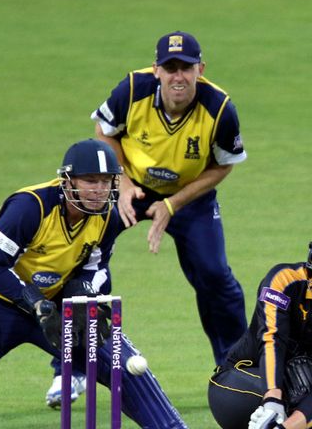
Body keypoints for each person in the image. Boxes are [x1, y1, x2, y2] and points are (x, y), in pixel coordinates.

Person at [0, 139, 187, 429]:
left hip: (54, 307)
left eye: (106, 181)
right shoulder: (30, 206)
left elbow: (96, 268)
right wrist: (34, 300)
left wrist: (82, 296)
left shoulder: (107, 216)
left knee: (122, 364)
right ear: (68, 181)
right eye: (90, 180)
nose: (100, 190)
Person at [91, 29, 247, 362]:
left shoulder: (220, 109)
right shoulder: (133, 89)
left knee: (215, 276)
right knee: (85, 255)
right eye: (170, 67)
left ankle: (238, 368)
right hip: (130, 189)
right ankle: (75, 367)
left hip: (189, 198)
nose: (178, 76)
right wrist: (121, 182)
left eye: (186, 68)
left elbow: (223, 166)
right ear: (157, 69)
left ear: (200, 70)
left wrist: (172, 205)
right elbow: (103, 132)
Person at [207, 218, 312, 429]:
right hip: (238, 383)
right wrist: (272, 400)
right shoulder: (284, 280)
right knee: (299, 385)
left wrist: (284, 427)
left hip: (293, 393)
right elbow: (272, 339)